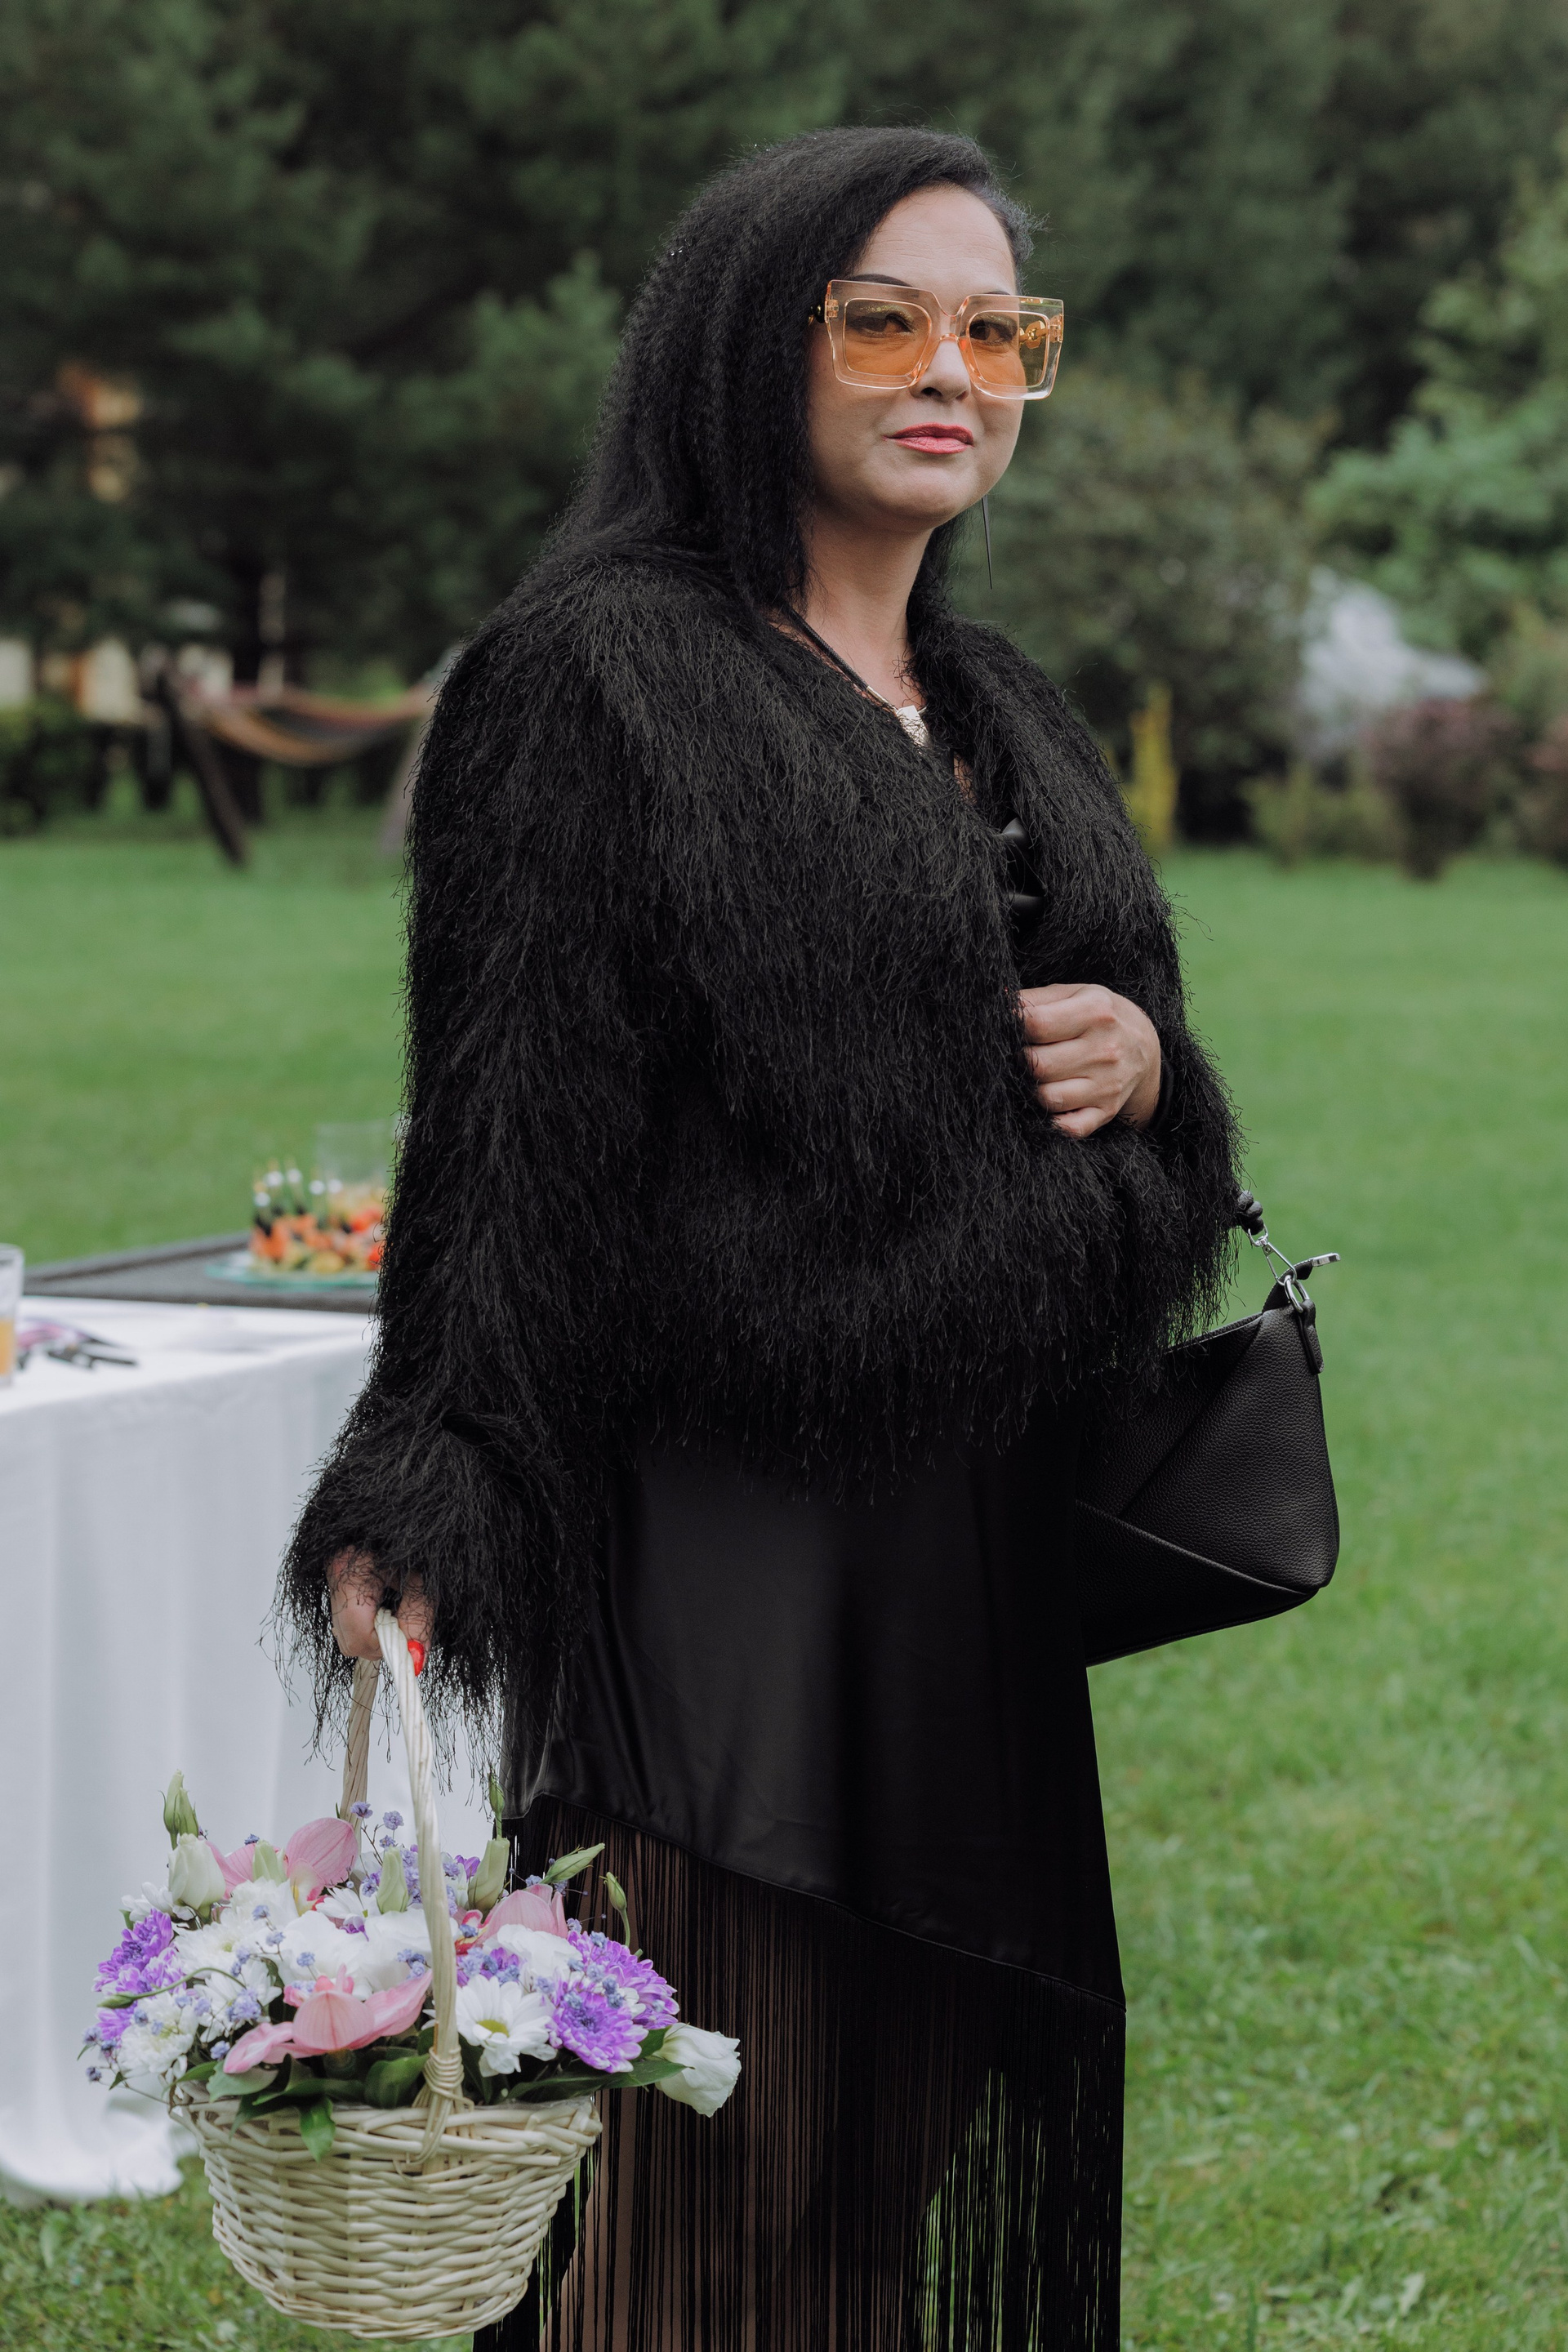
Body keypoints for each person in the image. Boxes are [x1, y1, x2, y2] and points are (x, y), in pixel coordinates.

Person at [283, 125, 1239, 2352]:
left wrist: (1148, 1072)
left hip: (971, 1548)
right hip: (718, 1546)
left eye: (1000, 330)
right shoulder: (595, 671)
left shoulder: (999, 704)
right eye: (883, 320)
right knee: (709, 2180)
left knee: (891, 2173)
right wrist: (435, 1459)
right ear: (746, 340)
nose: (954, 371)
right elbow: (511, 1115)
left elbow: (1107, 1057)